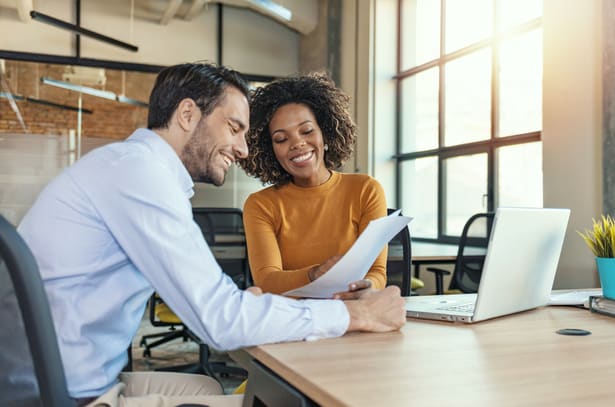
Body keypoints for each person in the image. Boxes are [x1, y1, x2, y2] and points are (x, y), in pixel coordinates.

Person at [17, 63, 405, 407]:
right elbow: (218, 321)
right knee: (276, 402)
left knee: (210, 389)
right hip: (61, 394)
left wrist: (245, 302)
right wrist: (353, 314)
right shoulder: (139, 176)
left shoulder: (134, 168)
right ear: (188, 114)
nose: (241, 148)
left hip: (65, 377)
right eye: (234, 128)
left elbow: (217, 303)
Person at [240, 72, 387, 299]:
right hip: (292, 319)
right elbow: (267, 281)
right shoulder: (260, 204)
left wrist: (367, 287)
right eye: (281, 139)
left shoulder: (366, 190)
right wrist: (315, 274)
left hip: (352, 312)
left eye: (306, 131)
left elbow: (377, 272)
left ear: (325, 133)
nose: (297, 143)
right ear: (270, 150)